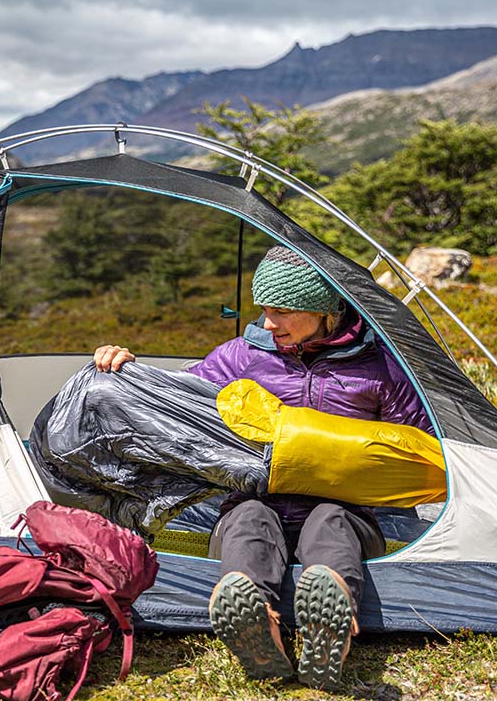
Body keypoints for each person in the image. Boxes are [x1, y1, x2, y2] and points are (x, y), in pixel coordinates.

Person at [93, 245, 433, 691]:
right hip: (255, 502)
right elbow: (178, 400)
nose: (268, 323)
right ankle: (254, 617)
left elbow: (421, 447)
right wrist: (130, 368)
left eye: (282, 311)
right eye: (264, 310)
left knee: (331, 520)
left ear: (324, 310)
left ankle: (330, 615)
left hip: (349, 512)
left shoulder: (381, 367)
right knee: (249, 518)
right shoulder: (241, 357)